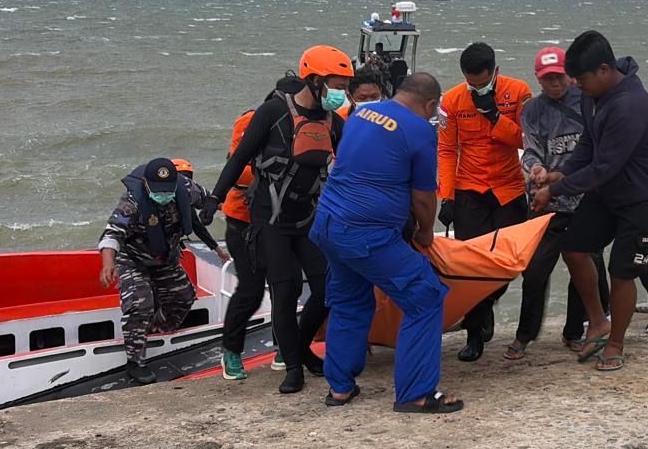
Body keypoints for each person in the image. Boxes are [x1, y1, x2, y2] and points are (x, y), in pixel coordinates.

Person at [309, 73, 463, 414]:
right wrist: (426, 232)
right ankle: (416, 394)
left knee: (350, 299)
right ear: (431, 105)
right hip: (366, 234)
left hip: (328, 223)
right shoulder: (420, 129)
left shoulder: (361, 114)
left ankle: (340, 388)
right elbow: (423, 197)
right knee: (425, 295)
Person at [205, 45, 353, 393]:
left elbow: (349, 169)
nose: (342, 94)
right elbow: (239, 157)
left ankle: (299, 348)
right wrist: (214, 198)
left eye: (346, 87)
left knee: (327, 288)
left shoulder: (334, 122)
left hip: (308, 218)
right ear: (314, 80)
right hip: (270, 220)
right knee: (285, 292)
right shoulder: (272, 113)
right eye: (337, 85)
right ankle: (293, 367)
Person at [531, 30, 648, 372]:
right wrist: (560, 173)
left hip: (646, 197)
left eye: (581, 79)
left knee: (621, 272)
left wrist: (554, 190)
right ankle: (598, 322)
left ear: (603, 70)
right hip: (611, 189)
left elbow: (603, 168)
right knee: (574, 248)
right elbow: (589, 145)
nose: (576, 85)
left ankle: (615, 344)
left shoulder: (631, 107)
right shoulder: (592, 95)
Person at [506, 48, 610, 360]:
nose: (554, 83)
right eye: (547, 78)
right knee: (535, 271)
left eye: (559, 77)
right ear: (538, 80)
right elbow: (531, 149)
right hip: (547, 201)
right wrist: (535, 169)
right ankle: (525, 335)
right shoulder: (532, 110)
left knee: (586, 269)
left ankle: (575, 331)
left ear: (570, 75)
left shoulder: (589, 101)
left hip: (587, 200)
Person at [437, 42, 533, 362]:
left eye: (482, 83)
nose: (476, 88)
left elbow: (527, 140)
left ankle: (488, 302)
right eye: (471, 83)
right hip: (469, 188)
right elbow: (446, 150)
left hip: (509, 188)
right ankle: (474, 333)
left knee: (508, 263)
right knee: (472, 265)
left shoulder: (518, 92)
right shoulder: (452, 101)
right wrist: (446, 196)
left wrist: (495, 117)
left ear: (495, 71)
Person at [218, 77, 306, 380]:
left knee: (289, 286)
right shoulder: (252, 121)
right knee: (251, 289)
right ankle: (231, 350)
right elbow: (238, 167)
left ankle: (285, 348)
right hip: (245, 220)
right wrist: (276, 170)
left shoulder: (310, 123)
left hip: (284, 220)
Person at [98, 157, 212, 384]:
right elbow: (111, 234)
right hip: (133, 260)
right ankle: (135, 361)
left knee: (184, 297)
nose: (164, 195)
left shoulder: (186, 189)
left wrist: (216, 207)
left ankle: (149, 331)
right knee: (140, 304)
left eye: (168, 190)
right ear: (145, 183)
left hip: (164, 258)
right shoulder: (132, 202)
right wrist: (108, 264)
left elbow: (211, 198)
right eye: (159, 191)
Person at [171, 158, 231, 264]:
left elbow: (214, 203)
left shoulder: (193, 192)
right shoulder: (184, 195)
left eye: (188, 177)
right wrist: (219, 251)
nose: (186, 181)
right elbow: (198, 227)